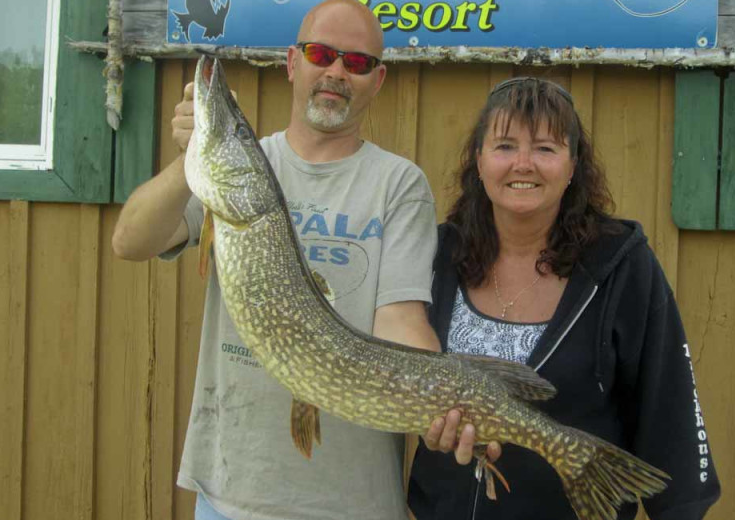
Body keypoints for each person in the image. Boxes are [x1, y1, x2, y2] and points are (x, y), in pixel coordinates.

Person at [112, 1, 491, 518]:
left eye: (355, 63)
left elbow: (400, 318)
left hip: (351, 502)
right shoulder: (243, 173)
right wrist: (192, 158)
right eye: (320, 54)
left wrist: (440, 402)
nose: (336, 72)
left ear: (376, 80)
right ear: (293, 63)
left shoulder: (398, 184)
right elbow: (130, 241)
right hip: (230, 494)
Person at [408, 77, 722, 519]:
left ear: (573, 165)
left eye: (545, 148)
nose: (523, 164)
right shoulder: (436, 256)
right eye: (503, 146)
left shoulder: (620, 267)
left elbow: (667, 405)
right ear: (478, 161)